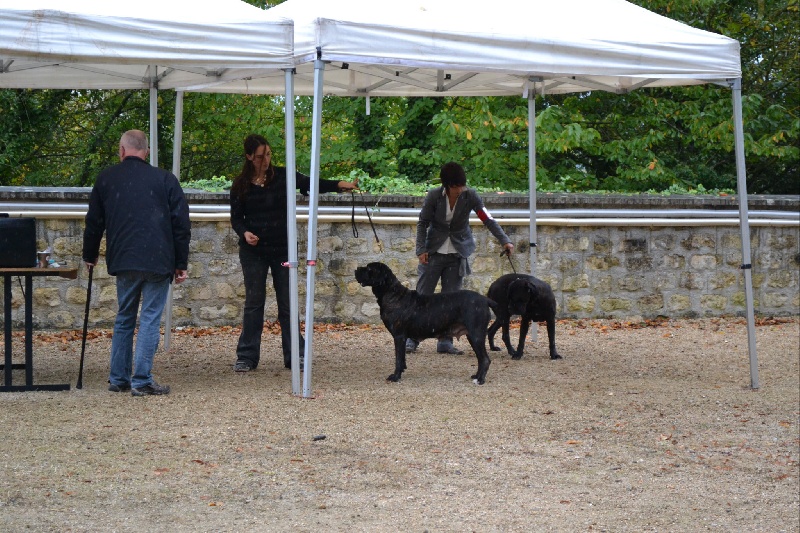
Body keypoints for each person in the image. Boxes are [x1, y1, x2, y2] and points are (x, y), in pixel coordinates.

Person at [230, 134, 358, 373]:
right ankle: (246, 356)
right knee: (254, 303)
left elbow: (311, 183)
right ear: (248, 157)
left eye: (268, 155)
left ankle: (296, 354)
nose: (265, 161)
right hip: (253, 252)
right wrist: (245, 233)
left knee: (288, 303)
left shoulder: (283, 176)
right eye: (259, 157)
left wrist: (340, 184)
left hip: (283, 248)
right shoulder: (240, 185)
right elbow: (236, 218)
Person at [83, 129, 191, 396]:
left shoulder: (107, 178)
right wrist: (181, 262)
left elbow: (94, 221)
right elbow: (181, 223)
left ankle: (119, 378)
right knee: (150, 318)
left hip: (124, 257)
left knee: (125, 317)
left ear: (122, 150)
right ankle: (141, 380)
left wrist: (90, 254)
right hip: (158, 258)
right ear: (147, 152)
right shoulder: (164, 179)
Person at [407, 161, 514, 354]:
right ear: (447, 185)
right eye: (457, 186)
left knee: (451, 302)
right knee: (423, 297)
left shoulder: (471, 195)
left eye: (462, 185)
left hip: (457, 253)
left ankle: (445, 342)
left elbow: (487, 218)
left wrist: (505, 240)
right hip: (433, 252)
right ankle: (413, 338)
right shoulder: (433, 196)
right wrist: (421, 249)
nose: (461, 189)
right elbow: (422, 223)